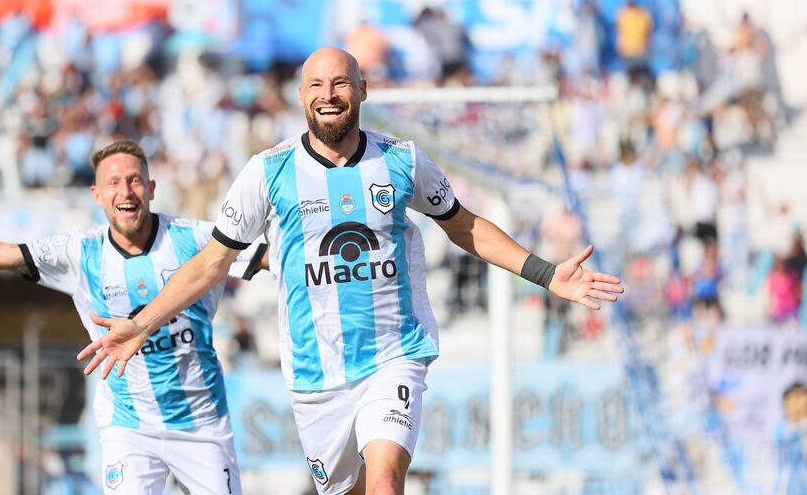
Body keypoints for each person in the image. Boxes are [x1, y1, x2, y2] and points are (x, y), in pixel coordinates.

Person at [78, 48, 624, 495]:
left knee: (385, 483)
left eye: (340, 83)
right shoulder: (267, 173)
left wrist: (547, 273)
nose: (329, 95)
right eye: (316, 85)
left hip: (393, 355)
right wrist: (144, 321)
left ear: (362, 91)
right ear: (301, 98)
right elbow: (213, 262)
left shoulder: (402, 161)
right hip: (316, 378)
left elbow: (464, 227)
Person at [0, 140, 266, 495]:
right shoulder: (78, 252)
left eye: (135, 180)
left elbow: (272, 256)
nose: (127, 191)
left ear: (152, 188)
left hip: (202, 422)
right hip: (129, 427)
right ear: (96, 195)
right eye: (114, 183)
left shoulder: (195, 239)